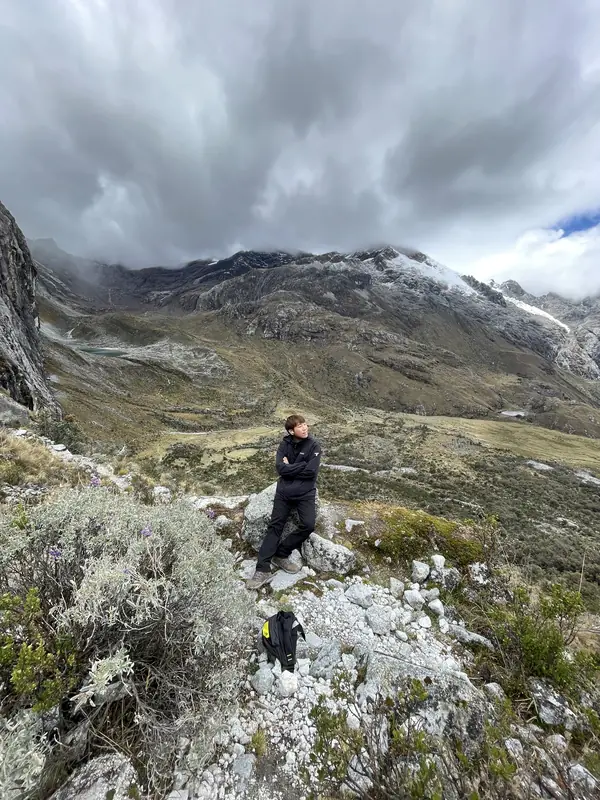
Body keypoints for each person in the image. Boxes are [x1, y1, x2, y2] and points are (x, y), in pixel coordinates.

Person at [246, 414, 322, 590]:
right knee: (275, 527)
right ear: (291, 430)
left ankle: (281, 553)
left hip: (305, 493)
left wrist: (290, 467)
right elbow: (280, 468)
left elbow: (311, 472)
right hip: (284, 492)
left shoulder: (314, 446)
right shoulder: (284, 444)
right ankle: (262, 569)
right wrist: (297, 466)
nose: (305, 428)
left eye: (305, 424)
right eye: (300, 426)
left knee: (308, 525)